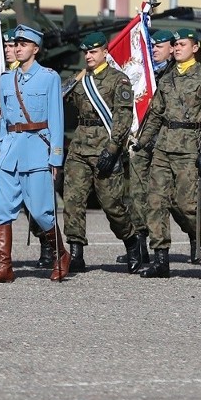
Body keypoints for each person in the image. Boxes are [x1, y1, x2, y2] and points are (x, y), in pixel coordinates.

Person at [135, 28, 201, 278]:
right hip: (163, 146)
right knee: (155, 202)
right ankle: (160, 259)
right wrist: (141, 142)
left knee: (186, 205)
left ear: (195, 48)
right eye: (174, 45)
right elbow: (155, 113)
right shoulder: (167, 78)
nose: (176, 49)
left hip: (189, 148)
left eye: (182, 44)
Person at [0, 24, 69, 283]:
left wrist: (56, 156)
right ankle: (5, 267)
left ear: (36, 48)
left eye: (23, 44)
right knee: (1, 210)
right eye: (15, 44)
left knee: (42, 212)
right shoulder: (5, 79)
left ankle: (60, 254)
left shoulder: (49, 77)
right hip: (9, 150)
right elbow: (2, 120)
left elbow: (56, 118)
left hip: (36, 149)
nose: (18, 48)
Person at [62, 32, 144, 273]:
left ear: (105, 53)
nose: (88, 56)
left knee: (112, 205)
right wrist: (68, 84)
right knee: (73, 201)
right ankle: (76, 252)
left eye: (93, 51)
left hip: (105, 147)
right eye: (86, 52)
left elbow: (123, 117)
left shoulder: (118, 81)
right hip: (79, 147)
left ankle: (131, 242)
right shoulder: (80, 80)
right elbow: (59, 100)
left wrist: (112, 149)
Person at [0, 28, 48, 269]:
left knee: (30, 199)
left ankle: (47, 243)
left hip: (25, 142)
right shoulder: (3, 76)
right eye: (5, 47)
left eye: (12, 46)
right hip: (0, 145)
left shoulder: (31, 77)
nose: (8, 50)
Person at [121, 30, 177, 265]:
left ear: (172, 48)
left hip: (168, 142)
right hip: (142, 140)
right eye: (152, 46)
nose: (154, 50)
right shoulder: (145, 74)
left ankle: (199, 241)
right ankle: (142, 246)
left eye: (160, 46)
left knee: (172, 198)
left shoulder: (178, 75)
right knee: (136, 193)